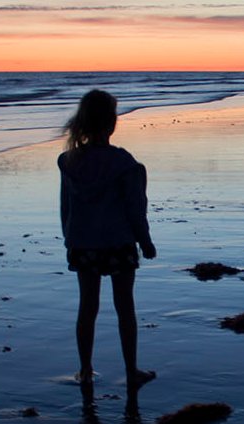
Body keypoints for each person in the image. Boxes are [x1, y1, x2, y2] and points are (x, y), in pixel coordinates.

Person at [59, 89, 158, 392]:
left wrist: (69, 239)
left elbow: (66, 209)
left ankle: (85, 368)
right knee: (124, 306)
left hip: (83, 244)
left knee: (87, 306)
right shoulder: (123, 163)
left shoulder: (70, 161)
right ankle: (131, 370)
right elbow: (135, 208)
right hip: (118, 243)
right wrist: (145, 241)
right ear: (112, 123)